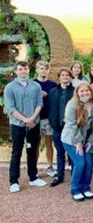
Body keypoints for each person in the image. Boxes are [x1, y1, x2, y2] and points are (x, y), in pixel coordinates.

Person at [5, 61, 47, 193]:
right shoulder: (10, 88)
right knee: (16, 152)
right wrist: (26, 120)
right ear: (16, 71)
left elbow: (39, 104)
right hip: (18, 125)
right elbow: (11, 108)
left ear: (29, 70)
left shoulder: (36, 86)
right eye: (20, 69)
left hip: (34, 123)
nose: (23, 71)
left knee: (32, 150)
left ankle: (33, 177)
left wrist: (32, 118)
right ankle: (13, 181)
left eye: (25, 69)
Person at [61, 83, 93, 201]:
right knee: (80, 163)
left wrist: (90, 141)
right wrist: (78, 142)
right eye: (81, 91)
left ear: (91, 91)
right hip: (71, 139)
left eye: (87, 91)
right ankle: (75, 189)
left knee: (88, 163)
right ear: (77, 93)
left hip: (87, 140)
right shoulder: (72, 104)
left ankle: (86, 188)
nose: (84, 93)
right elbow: (71, 125)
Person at [48, 68, 75, 187]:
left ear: (70, 77)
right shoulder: (53, 92)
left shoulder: (75, 92)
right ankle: (60, 175)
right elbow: (49, 108)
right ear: (59, 77)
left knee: (72, 153)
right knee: (60, 152)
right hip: (57, 128)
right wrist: (52, 122)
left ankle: (75, 175)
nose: (65, 77)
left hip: (71, 129)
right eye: (63, 75)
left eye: (67, 75)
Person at [34, 60, 57, 177]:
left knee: (49, 144)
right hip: (35, 119)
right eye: (41, 68)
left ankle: (50, 167)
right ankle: (35, 168)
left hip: (48, 119)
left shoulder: (53, 85)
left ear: (48, 70)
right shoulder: (32, 84)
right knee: (36, 144)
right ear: (37, 70)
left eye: (46, 69)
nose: (44, 70)